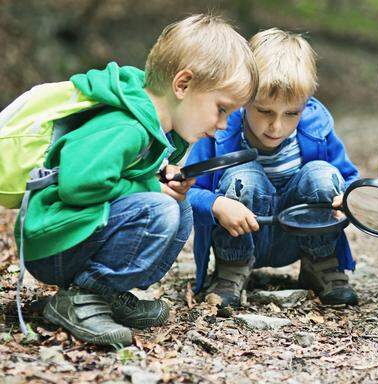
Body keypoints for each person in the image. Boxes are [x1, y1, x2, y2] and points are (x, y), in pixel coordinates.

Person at [18, 14, 258, 345]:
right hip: (54, 243)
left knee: (178, 207)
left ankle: (104, 293)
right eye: (221, 109)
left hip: (75, 236)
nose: (222, 124)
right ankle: (80, 298)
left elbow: (123, 177)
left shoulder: (150, 127)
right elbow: (78, 184)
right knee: (159, 209)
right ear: (183, 84)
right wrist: (149, 186)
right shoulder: (126, 126)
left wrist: (160, 176)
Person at [187, 28, 360, 308]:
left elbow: (350, 178)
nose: (276, 126)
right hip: (241, 234)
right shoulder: (220, 132)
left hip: (298, 235)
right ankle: (232, 270)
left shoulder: (316, 128)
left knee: (322, 174)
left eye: (291, 113)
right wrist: (217, 204)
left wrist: (349, 199)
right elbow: (188, 193)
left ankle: (320, 263)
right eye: (265, 111)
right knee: (244, 174)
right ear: (244, 99)